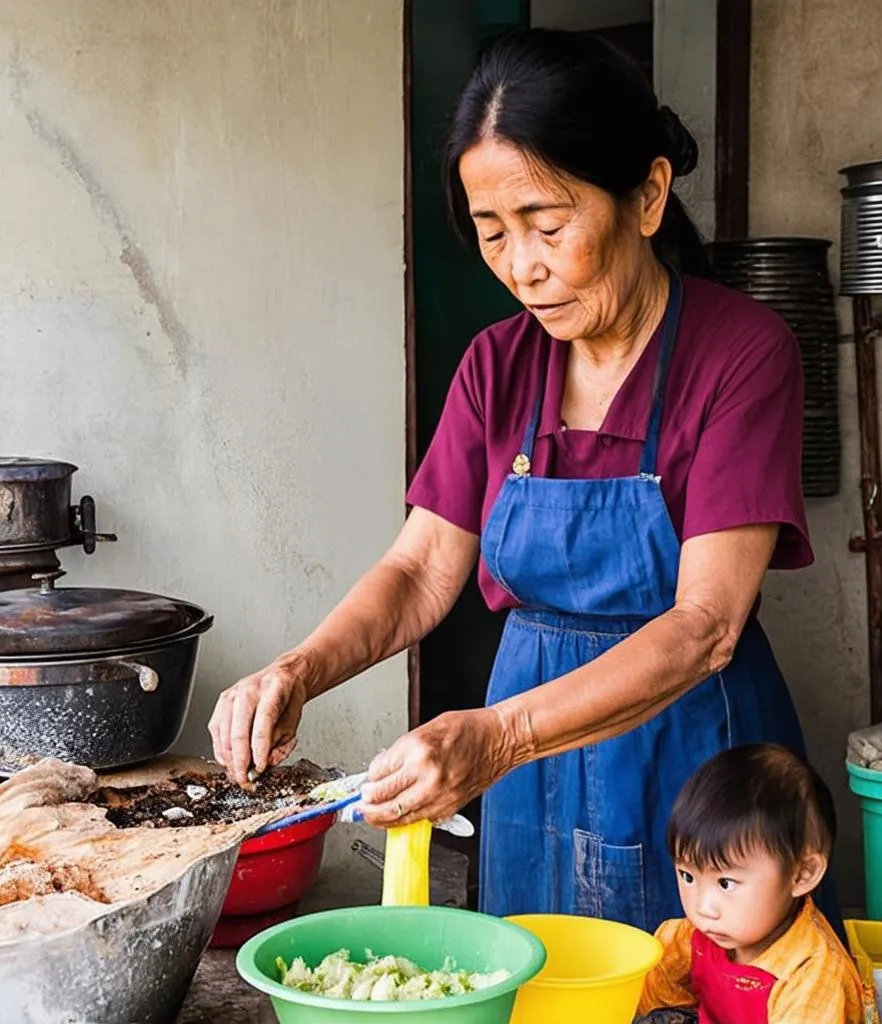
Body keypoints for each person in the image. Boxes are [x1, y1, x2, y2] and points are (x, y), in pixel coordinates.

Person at [208, 27, 842, 936]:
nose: (521, 267)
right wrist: (301, 669)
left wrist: (500, 735)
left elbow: (705, 628)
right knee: (534, 974)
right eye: (492, 234)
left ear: (648, 196)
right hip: (530, 775)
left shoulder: (743, 354)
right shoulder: (496, 365)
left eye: (548, 226)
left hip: (700, 771)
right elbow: (424, 567)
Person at [636, 746, 869, 1024]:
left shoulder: (813, 976)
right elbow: (659, 1005)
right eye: (688, 876)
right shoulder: (688, 941)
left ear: (802, 874)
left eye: (725, 883)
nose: (703, 907)